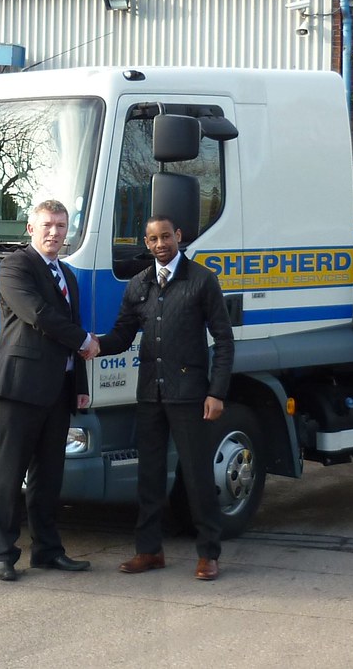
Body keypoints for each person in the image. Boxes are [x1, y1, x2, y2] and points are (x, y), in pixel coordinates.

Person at [97, 215, 234, 581]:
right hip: (150, 394)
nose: (160, 245)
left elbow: (223, 339)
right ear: (146, 242)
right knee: (150, 476)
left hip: (190, 395)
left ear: (179, 236)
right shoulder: (139, 284)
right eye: (153, 239)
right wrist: (93, 345)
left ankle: (208, 554)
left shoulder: (202, 280)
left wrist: (216, 392)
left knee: (197, 476)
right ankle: (149, 550)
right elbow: (123, 335)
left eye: (166, 237)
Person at [0, 199, 100, 581]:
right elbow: (38, 314)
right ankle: (2, 554)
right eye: (48, 224)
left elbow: (73, 327)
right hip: (19, 388)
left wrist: (80, 385)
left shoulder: (66, 274)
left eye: (62, 226)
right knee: (8, 475)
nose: (55, 232)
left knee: (49, 477)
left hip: (59, 390)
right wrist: (85, 339)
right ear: (30, 229)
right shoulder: (16, 266)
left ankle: (48, 551)